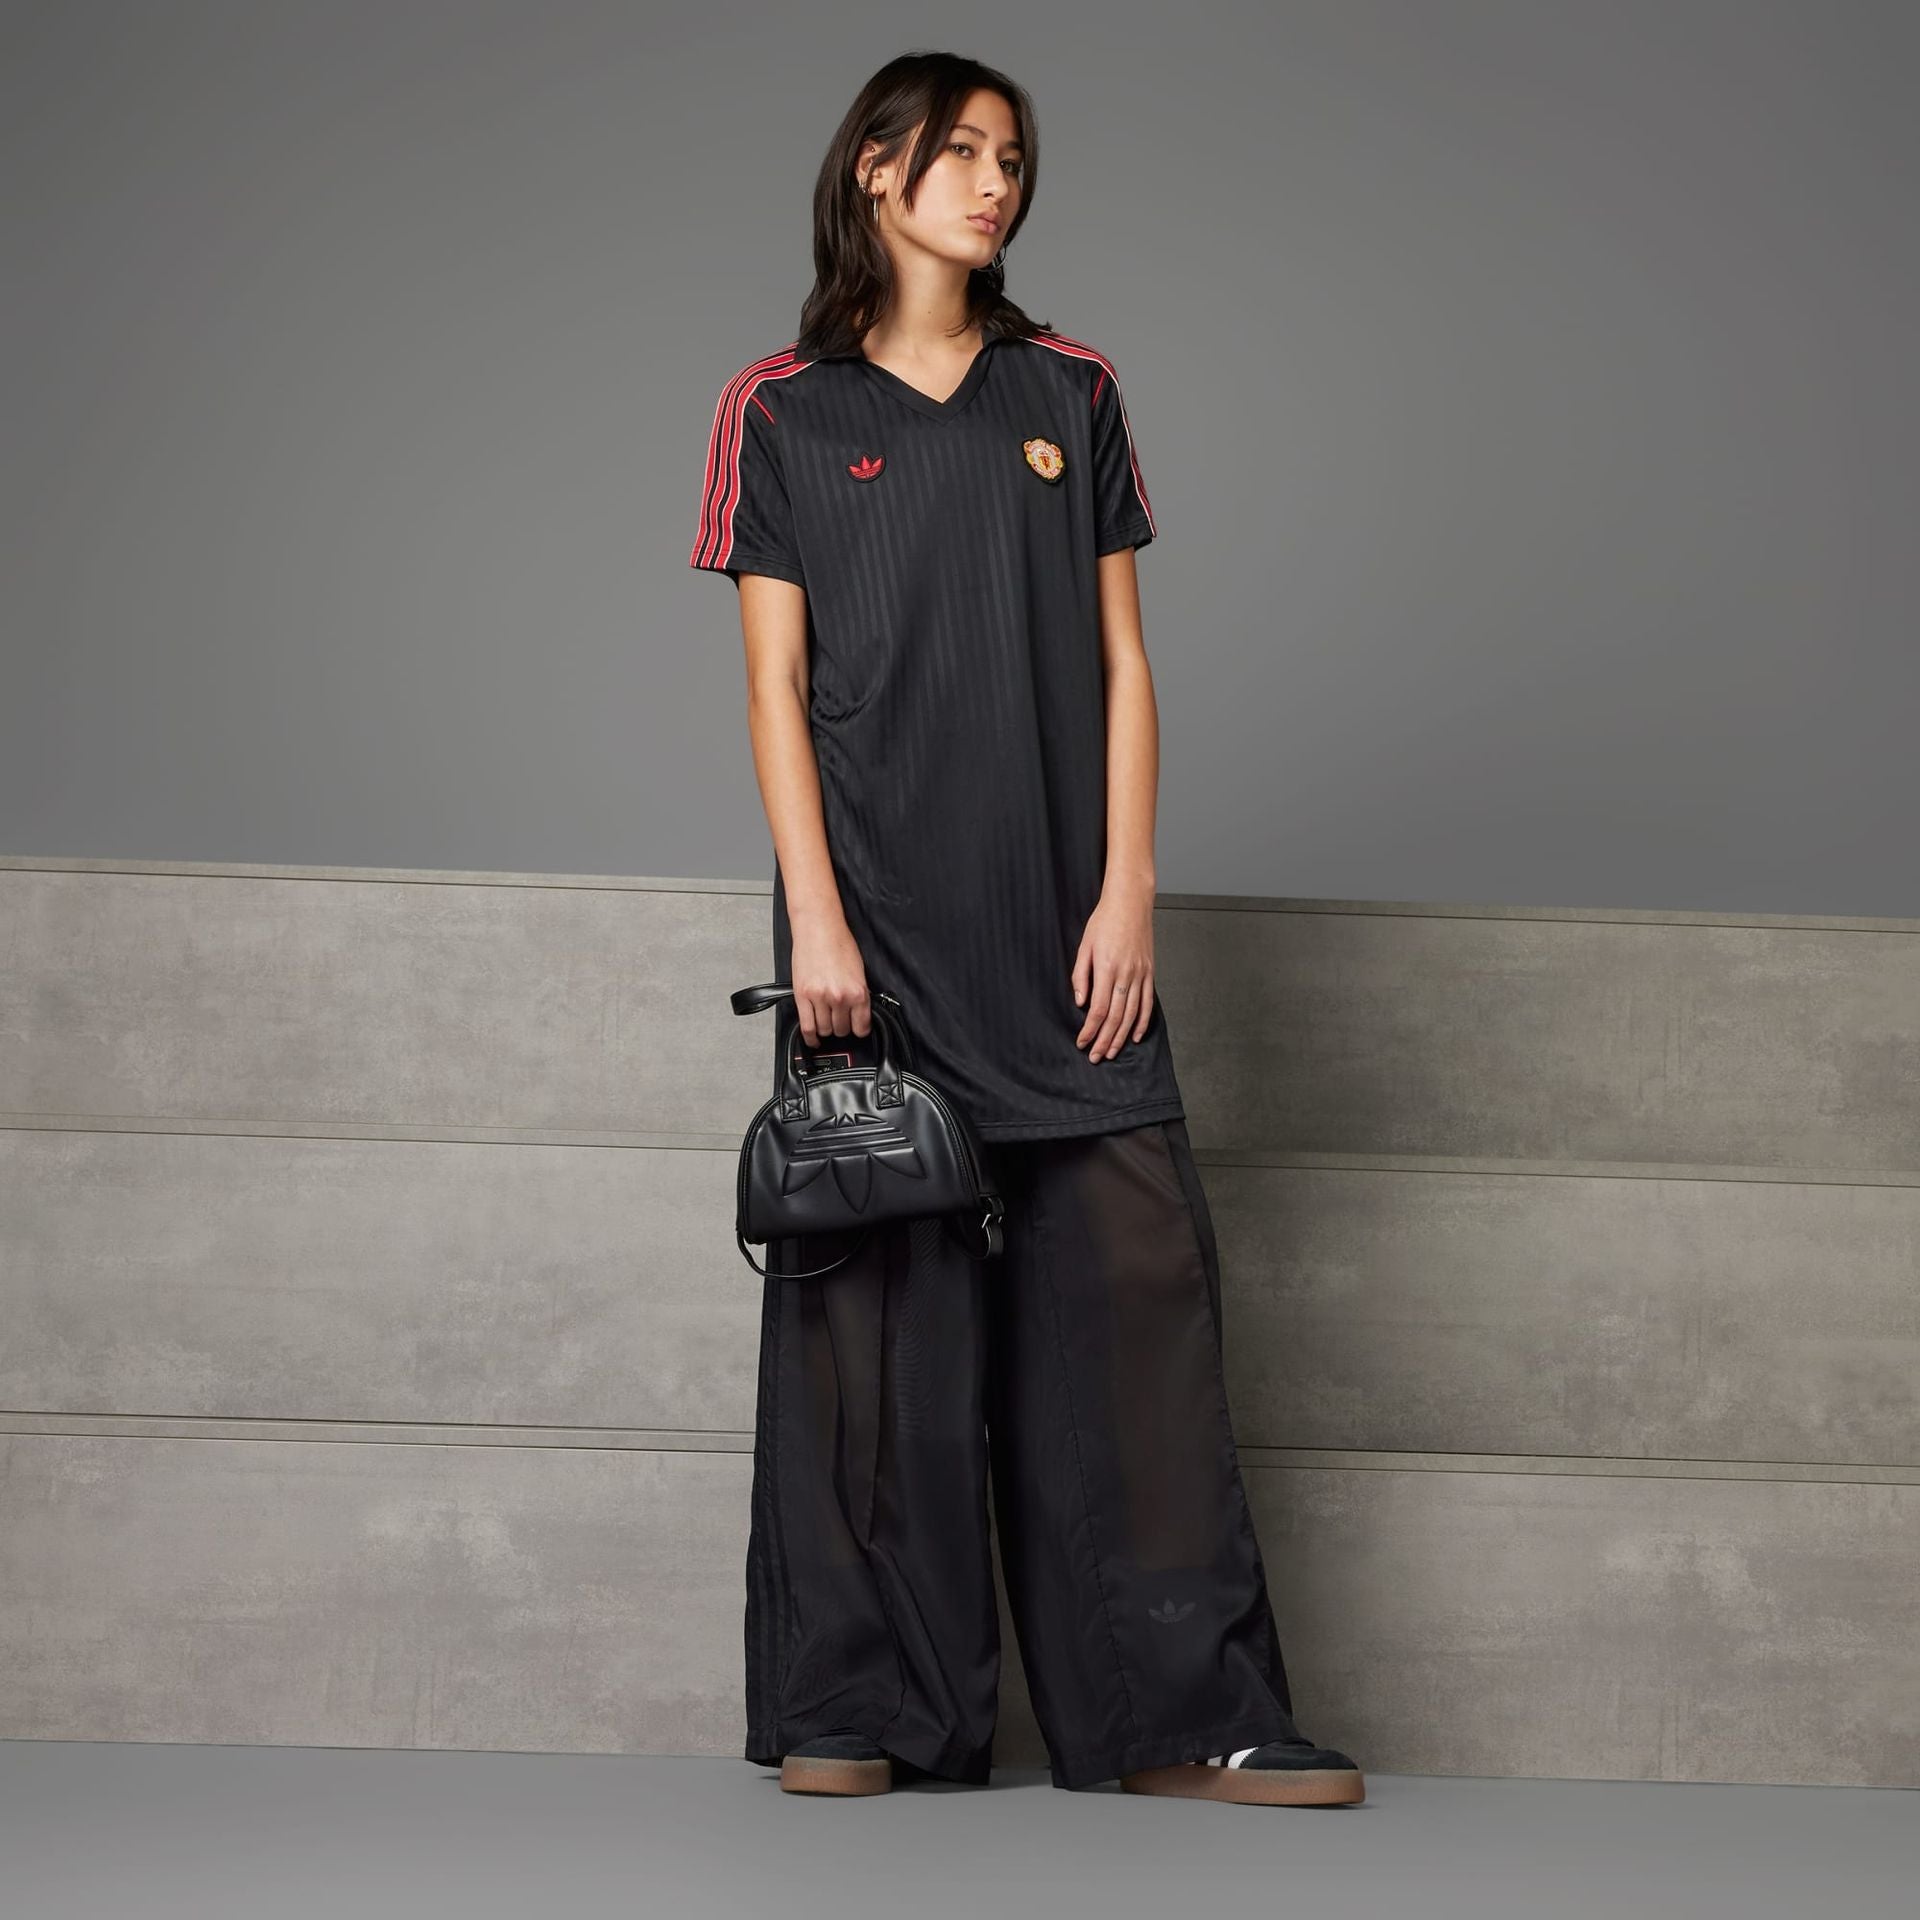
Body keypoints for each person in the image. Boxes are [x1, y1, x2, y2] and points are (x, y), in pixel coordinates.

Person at [689, 49, 1364, 1807]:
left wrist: (1129, 890)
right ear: (876, 171)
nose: (998, 183)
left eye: (1014, 158)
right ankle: (864, 1709)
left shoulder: (1072, 388)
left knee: (1134, 1326)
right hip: (877, 936)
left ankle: (1182, 1718)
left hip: (1071, 936)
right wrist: (818, 922)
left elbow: (1127, 665)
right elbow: (774, 690)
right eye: (964, 153)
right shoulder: (780, 408)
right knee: (875, 1330)